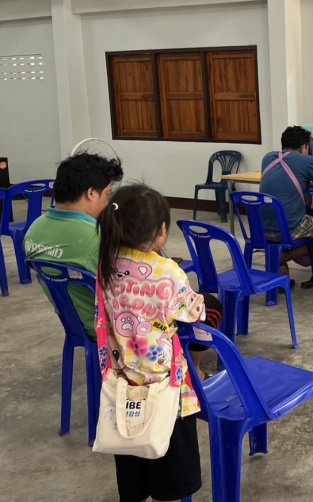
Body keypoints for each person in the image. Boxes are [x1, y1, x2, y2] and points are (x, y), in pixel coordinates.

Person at [96, 184, 215, 502]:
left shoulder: (106, 264)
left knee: (133, 479)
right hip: (167, 394)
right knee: (170, 486)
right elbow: (194, 312)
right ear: (161, 231)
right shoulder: (169, 272)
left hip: (123, 388)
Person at [25, 152, 124, 340]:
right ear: (91, 193)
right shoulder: (98, 237)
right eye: (107, 194)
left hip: (72, 324)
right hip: (108, 330)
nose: (107, 203)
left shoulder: (33, 230)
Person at [260, 126, 313, 287]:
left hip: (262, 227)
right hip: (290, 227)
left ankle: (282, 282)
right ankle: (283, 257)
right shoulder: (306, 160)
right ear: (304, 147)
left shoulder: (267, 158)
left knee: (298, 227)